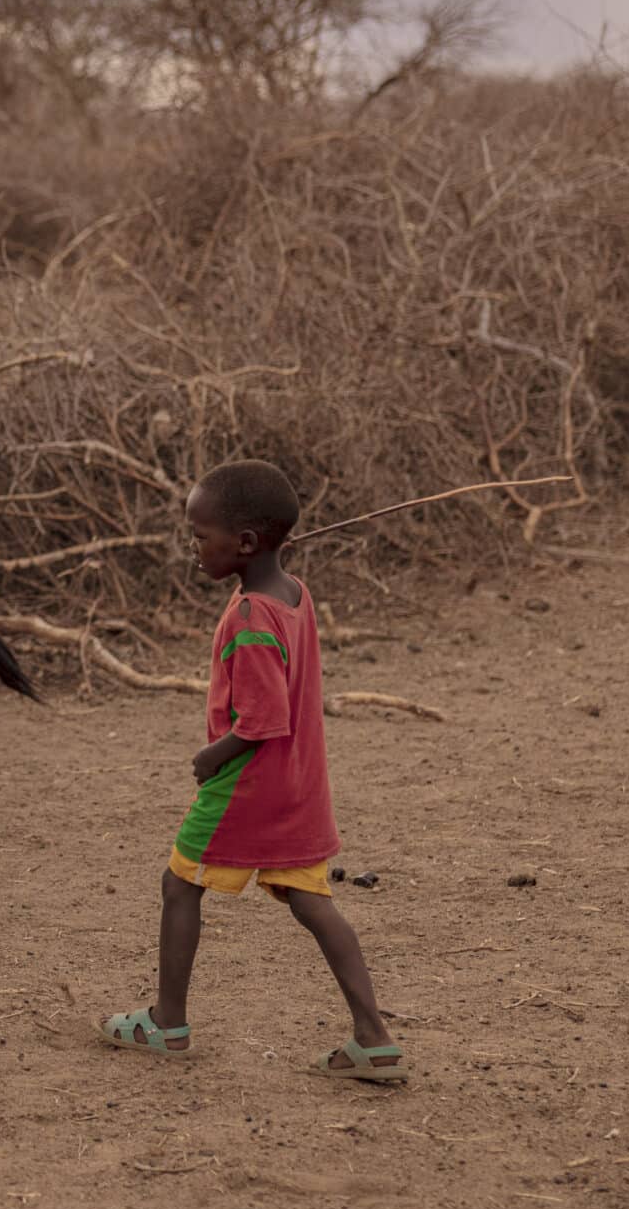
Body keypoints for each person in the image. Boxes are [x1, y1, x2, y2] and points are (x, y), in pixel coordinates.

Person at [101, 460, 406, 1084]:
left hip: (248, 785)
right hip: (298, 788)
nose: (192, 546)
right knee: (312, 899)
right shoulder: (293, 595)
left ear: (245, 544)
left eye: (199, 534)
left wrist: (212, 756)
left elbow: (261, 720)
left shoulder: (249, 618)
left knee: (180, 884)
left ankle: (167, 1023)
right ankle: (373, 1038)